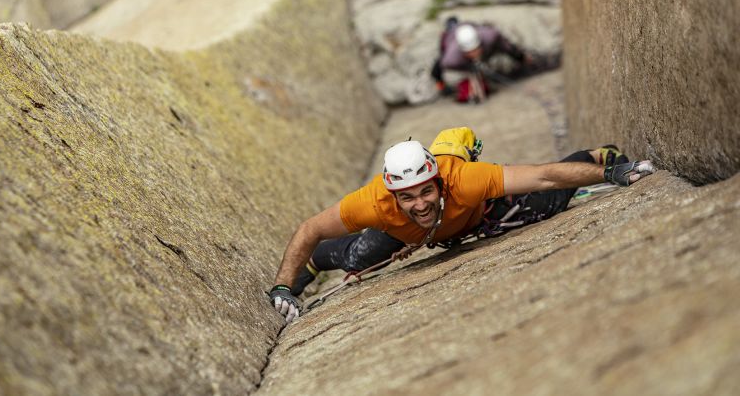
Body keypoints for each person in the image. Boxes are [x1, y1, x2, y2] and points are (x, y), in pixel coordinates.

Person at [268, 139, 654, 323]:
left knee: (549, 203)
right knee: (356, 255)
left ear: (438, 183)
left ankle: (597, 155)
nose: (419, 203)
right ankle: (316, 266)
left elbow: (542, 175)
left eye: (425, 192)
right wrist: (283, 286)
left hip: (474, 215)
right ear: (392, 194)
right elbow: (311, 228)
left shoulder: (465, 180)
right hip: (409, 236)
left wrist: (610, 173)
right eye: (407, 197)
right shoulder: (372, 202)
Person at [430, 19, 553, 103]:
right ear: (463, 52)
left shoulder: (490, 36)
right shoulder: (451, 57)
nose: (474, 53)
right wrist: (469, 68)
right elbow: (440, 68)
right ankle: (441, 87)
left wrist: (521, 57)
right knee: (437, 69)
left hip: (471, 27)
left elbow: (506, 46)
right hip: (451, 38)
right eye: (470, 52)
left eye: (476, 49)